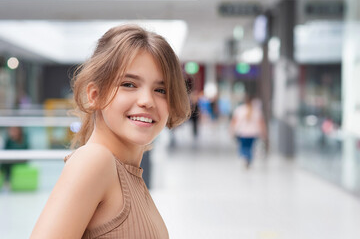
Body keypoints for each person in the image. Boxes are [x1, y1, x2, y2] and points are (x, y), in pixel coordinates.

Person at [31, 24, 191, 239]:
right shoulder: (95, 161)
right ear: (95, 94)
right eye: (129, 84)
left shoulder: (128, 174)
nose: (147, 101)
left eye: (160, 90)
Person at [230, 94, 266, 168]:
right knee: (250, 147)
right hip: (253, 133)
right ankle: (248, 158)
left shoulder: (239, 110)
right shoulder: (256, 111)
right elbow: (261, 123)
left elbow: (234, 121)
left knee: (243, 146)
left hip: (242, 132)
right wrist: (263, 132)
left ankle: (245, 157)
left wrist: (232, 130)